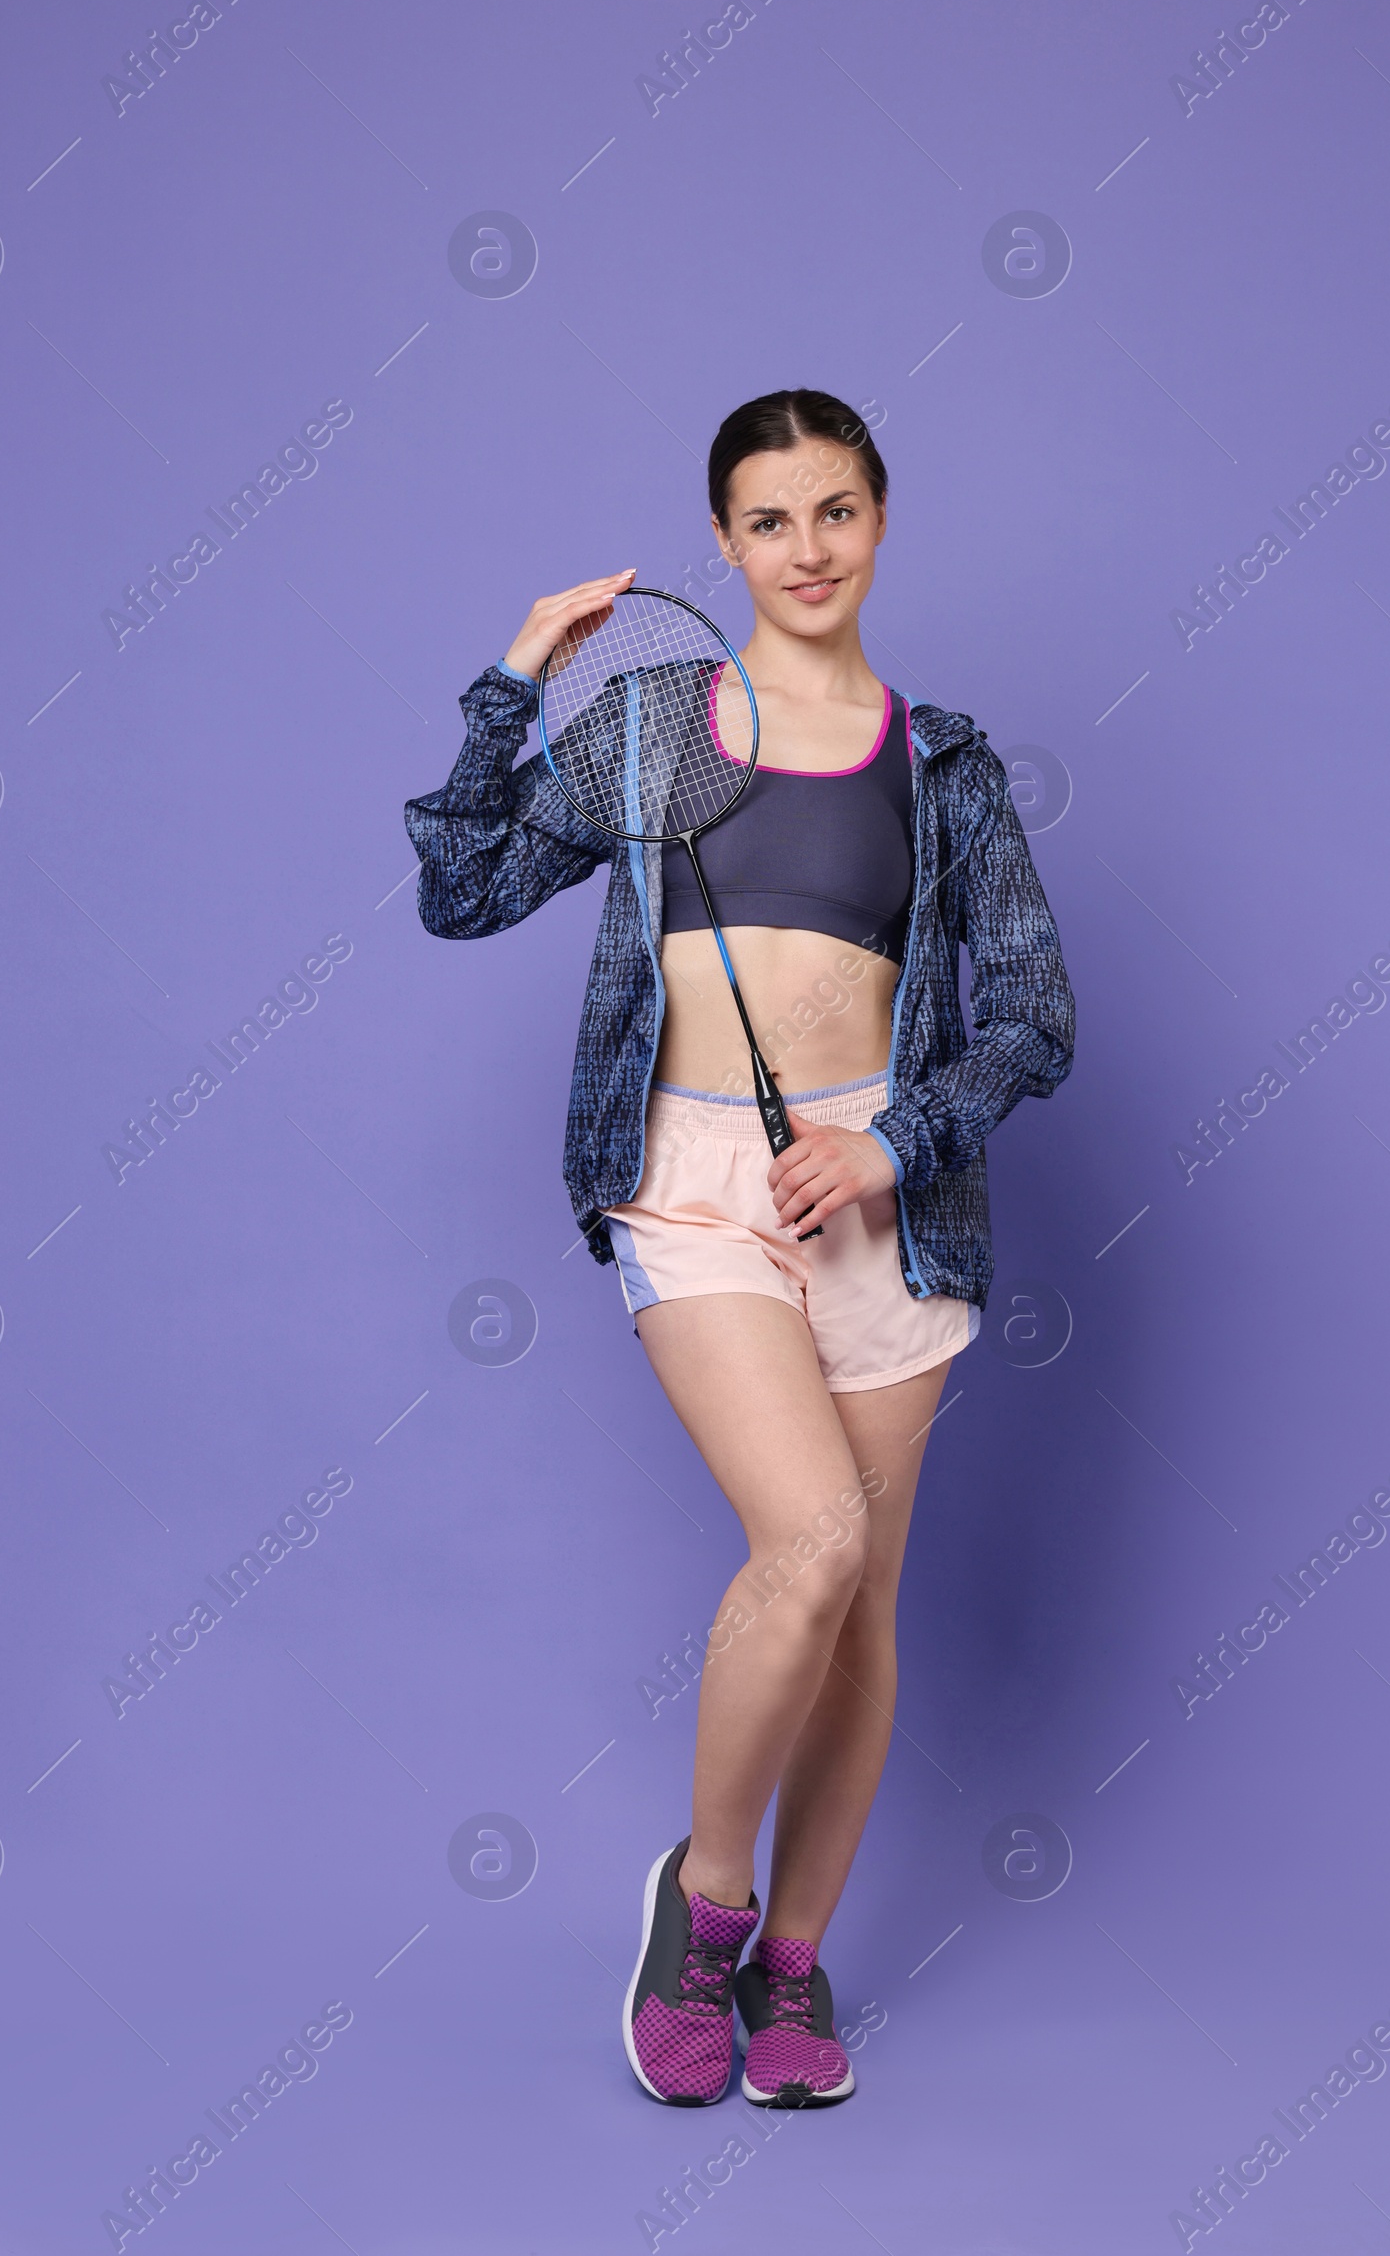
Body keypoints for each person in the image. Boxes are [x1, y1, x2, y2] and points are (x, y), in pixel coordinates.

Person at [404, 388, 1074, 2110]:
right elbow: (462, 888)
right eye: (769, 522)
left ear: (879, 520)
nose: (806, 549)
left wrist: (890, 1138)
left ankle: (793, 1970)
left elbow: (1030, 1022)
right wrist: (512, 680)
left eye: (835, 511)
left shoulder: (943, 766)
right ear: (723, 542)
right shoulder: (659, 726)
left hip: (879, 1198)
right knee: (810, 1540)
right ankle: (701, 1917)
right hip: (692, 1183)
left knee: (860, 1614)